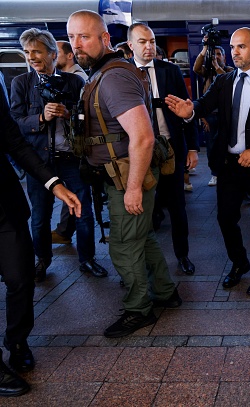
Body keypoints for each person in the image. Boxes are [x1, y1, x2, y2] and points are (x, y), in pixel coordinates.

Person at [67, 9, 181, 337]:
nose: (77, 44)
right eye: (72, 37)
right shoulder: (103, 71)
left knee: (123, 244)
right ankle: (164, 292)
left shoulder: (113, 77)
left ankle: (138, 309)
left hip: (128, 176)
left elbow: (143, 137)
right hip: (119, 173)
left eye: (84, 36)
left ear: (105, 39)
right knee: (141, 237)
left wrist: (132, 189)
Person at [166, 27, 250, 295]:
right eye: (233, 47)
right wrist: (189, 112)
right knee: (225, 218)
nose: (235, 52)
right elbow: (203, 104)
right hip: (229, 165)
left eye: (242, 47)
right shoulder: (224, 82)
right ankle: (239, 262)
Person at [0, 71, 81, 397]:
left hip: (5, 207)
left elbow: (14, 142)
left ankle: (17, 341)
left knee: (20, 279)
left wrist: (54, 183)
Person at [10, 28, 107, 281]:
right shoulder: (20, 83)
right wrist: (41, 117)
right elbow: (15, 121)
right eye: (28, 52)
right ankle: (42, 260)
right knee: (40, 218)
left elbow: (90, 118)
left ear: (53, 54)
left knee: (83, 212)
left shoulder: (74, 82)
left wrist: (70, 114)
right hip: (38, 162)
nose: (31, 57)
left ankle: (87, 259)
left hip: (71, 159)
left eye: (37, 52)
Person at [127, 22, 200, 275]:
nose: (149, 46)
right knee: (143, 210)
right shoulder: (123, 74)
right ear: (130, 46)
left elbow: (185, 110)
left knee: (178, 207)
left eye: (151, 41)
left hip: (170, 148)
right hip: (138, 153)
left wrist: (192, 147)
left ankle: (183, 255)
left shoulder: (170, 71)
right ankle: (143, 262)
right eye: (142, 42)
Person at [52, 40, 89, 245]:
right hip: (62, 147)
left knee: (78, 194)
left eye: (56, 52)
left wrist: (69, 114)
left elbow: (84, 116)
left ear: (69, 56)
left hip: (72, 148)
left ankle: (66, 232)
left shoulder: (78, 79)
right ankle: (64, 230)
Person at [193, 40, 234, 187]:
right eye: (214, 55)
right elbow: (196, 68)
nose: (216, 57)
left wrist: (217, 67)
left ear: (224, 57)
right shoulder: (207, 72)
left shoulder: (230, 71)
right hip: (210, 116)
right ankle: (214, 174)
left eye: (218, 54)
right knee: (211, 146)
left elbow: (227, 81)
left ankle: (228, 173)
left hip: (225, 116)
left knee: (226, 146)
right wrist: (204, 50)